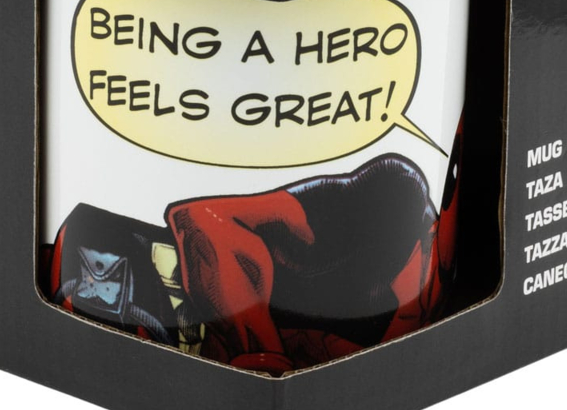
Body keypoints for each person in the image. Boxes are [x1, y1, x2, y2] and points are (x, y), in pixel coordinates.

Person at [41, 129, 461, 376]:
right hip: (112, 287)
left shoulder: (438, 303)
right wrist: (261, 355)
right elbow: (203, 222)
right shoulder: (394, 204)